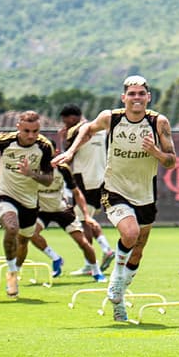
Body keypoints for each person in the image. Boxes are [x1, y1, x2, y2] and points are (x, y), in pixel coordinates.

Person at [52, 75, 176, 322]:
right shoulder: (112, 117)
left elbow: (171, 160)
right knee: (129, 234)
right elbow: (87, 127)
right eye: (132, 94)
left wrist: (156, 153)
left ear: (148, 97)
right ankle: (116, 280)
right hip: (114, 189)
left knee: (138, 250)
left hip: (145, 193)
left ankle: (119, 302)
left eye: (141, 93)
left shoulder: (158, 122)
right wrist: (71, 151)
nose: (137, 98)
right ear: (124, 98)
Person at [0, 111, 54, 297]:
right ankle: (11, 273)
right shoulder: (5, 140)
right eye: (27, 131)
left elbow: (48, 180)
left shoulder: (44, 146)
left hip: (30, 201)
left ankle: (15, 271)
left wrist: (30, 174)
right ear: (18, 127)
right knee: (11, 228)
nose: (31, 135)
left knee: (24, 241)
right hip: (4, 194)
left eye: (35, 131)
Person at [58, 104, 115, 274]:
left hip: (83, 179)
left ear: (72, 117)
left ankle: (98, 257)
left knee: (83, 220)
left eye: (65, 120)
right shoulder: (99, 128)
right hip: (101, 178)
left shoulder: (76, 130)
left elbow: (68, 155)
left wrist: (63, 139)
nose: (65, 124)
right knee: (86, 217)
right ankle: (98, 256)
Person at [29, 161, 107, 282]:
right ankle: (56, 259)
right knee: (31, 233)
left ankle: (96, 271)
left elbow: (76, 193)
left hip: (62, 210)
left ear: (55, 153)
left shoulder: (62, 169)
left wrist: (87, 216)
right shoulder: (31, 169)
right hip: (43, 211)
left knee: (83, 243)